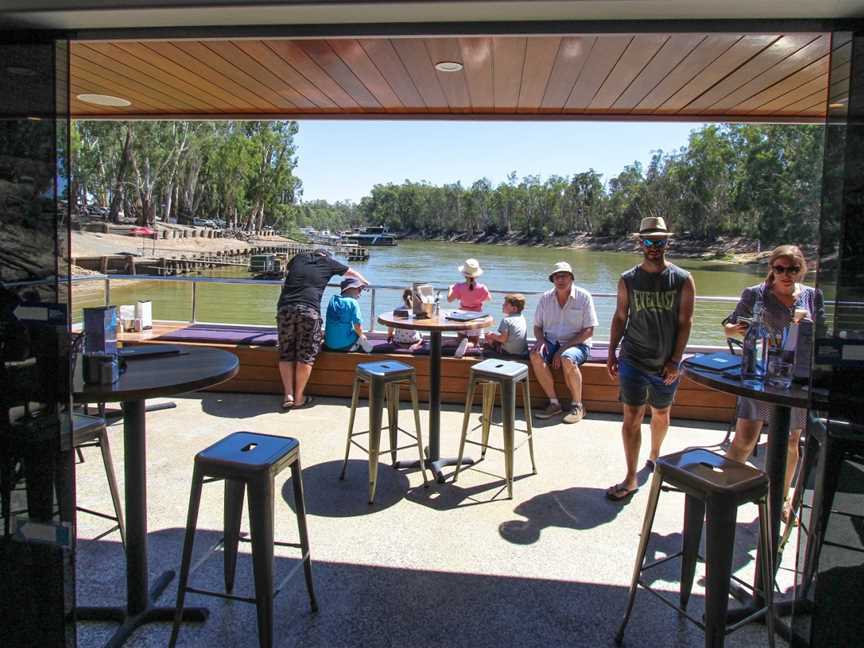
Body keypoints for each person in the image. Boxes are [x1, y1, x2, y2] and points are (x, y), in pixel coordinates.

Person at [723, 244, 824, 521]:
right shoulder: (755, 296)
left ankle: (779, 497)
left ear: (802, 269)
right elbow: (730, 327)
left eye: (792, 269)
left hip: (796, 380)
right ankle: (725, 492)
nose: (786, 274)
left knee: (791, 441)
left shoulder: (813, 297)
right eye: (780, 269)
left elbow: (824, 337)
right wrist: (735, 330)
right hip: (759, 376)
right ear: (772, 269)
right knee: (744, 438)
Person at [606, 217, 695, 501]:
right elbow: (621, 317)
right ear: (639, 243)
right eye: (648, 241)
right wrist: (611, 351)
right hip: (632, 357)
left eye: (659, 241)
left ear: (667, 242)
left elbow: (685, 322)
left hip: (665, 362)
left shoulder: (682, 279)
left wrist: (675, 360)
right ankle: (631, 478)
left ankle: (656, 454)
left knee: (661, 412)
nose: (654, 247)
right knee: (631, 417)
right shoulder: (628, 279)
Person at [275, 249, 368, 411]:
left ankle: (288, 395)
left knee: (286, 351)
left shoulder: (299, 257)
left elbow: (290, 270)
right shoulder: (328, 262)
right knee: (306, 354)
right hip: (308, 310)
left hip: (285, 308)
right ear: (326, 256)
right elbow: (352, 273)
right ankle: (299, 398)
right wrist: (364, 282)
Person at [530, 261, 599, 424]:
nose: (560, 280)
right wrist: (540, 341)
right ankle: (554, 403)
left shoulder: (584, 297)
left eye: (564, 276)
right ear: (552, 279)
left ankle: (578, 405)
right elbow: (537, 326)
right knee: (535, 355)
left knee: (567, 358)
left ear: (571, 278)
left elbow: (589, 330)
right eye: (556, 276)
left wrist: (563, 349)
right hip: (552, 341)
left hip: (578, 344)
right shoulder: (545, 298)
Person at [447, 258, 492, 357]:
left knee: (461, 338)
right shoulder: (482, 288)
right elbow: (488, 298)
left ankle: (461, 344)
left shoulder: (458, 286)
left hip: (461, 316)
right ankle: (467, 345)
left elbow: (449, 299)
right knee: (474, 342)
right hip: (476, 317)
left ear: (464, 274)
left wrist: (450, 289)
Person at [324, 277, 370, 352]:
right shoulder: (353, 302)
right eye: (359, 289)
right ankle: (368, 354)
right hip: (344, 346)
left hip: (328, 344)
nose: (360, 293)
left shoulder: (333, 299)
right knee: (360, 335)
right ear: (351, 289)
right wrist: (362, 335)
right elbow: (357, 326)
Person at [484, 293, 528, 357]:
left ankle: (497, 355)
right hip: (522, 353)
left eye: (506, 304)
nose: (503, 305)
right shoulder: (522, 318)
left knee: (488, 336)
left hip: (508, 353)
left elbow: (502, 339)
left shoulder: (506, 320)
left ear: (514, 309)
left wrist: (491, 335)